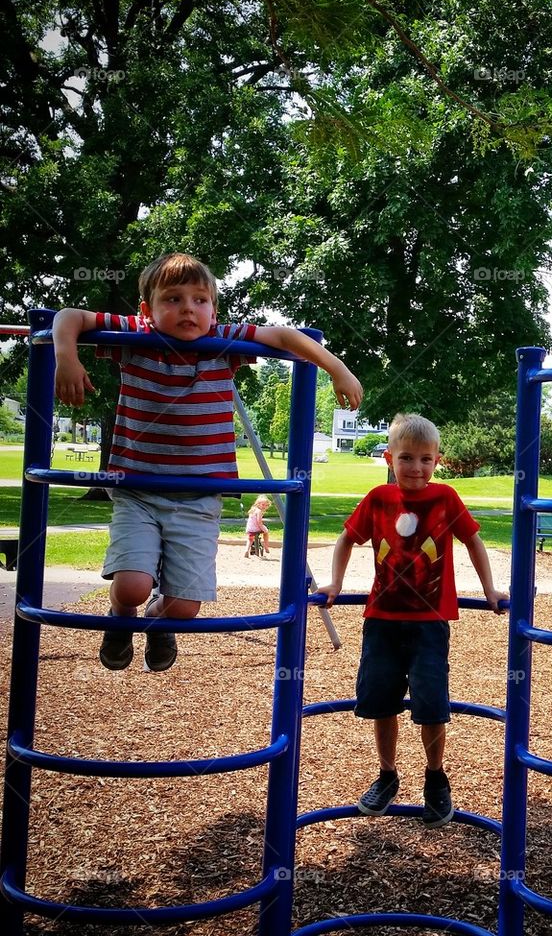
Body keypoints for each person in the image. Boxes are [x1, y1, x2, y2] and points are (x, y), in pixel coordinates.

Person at [53, 253, 363, 673]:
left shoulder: (223, 342)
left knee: (183, 608)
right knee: (131, 585)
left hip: (199, 498)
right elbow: (69, 316)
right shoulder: (135, 337)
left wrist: (337, 369)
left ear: (214, 310)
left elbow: (286, 337)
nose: (188, 308)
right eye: (174, 299)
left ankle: (158, 623)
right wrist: (66, 356)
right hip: (138, 492)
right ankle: (121, 617)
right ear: (148, 310)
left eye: (200, 300)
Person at [318, 413, 507, 828]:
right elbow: (347, 538)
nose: (416, 468)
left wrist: (490, 589)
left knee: (431, 703)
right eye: (406, 458)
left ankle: (436, 778)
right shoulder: (379, 499)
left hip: (429, 622)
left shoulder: (445, 500)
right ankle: (387, 775)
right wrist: (335, 583)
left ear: (437, 461)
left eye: (425, 459)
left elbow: (473, 540)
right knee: (381, 702)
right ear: (389, 458)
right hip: (382, 620)